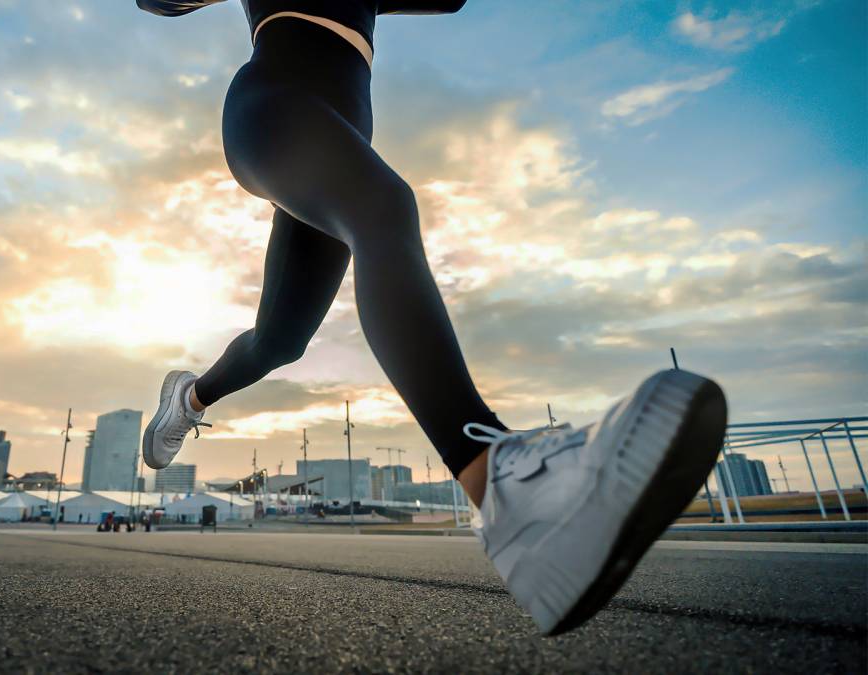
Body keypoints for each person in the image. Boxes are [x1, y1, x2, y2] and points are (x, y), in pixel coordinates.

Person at [135, 0, 727, 635]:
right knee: (385, 209)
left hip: (336, 130)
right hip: (271, 110)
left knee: (283, 340)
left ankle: (190, 397)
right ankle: (507, 487)